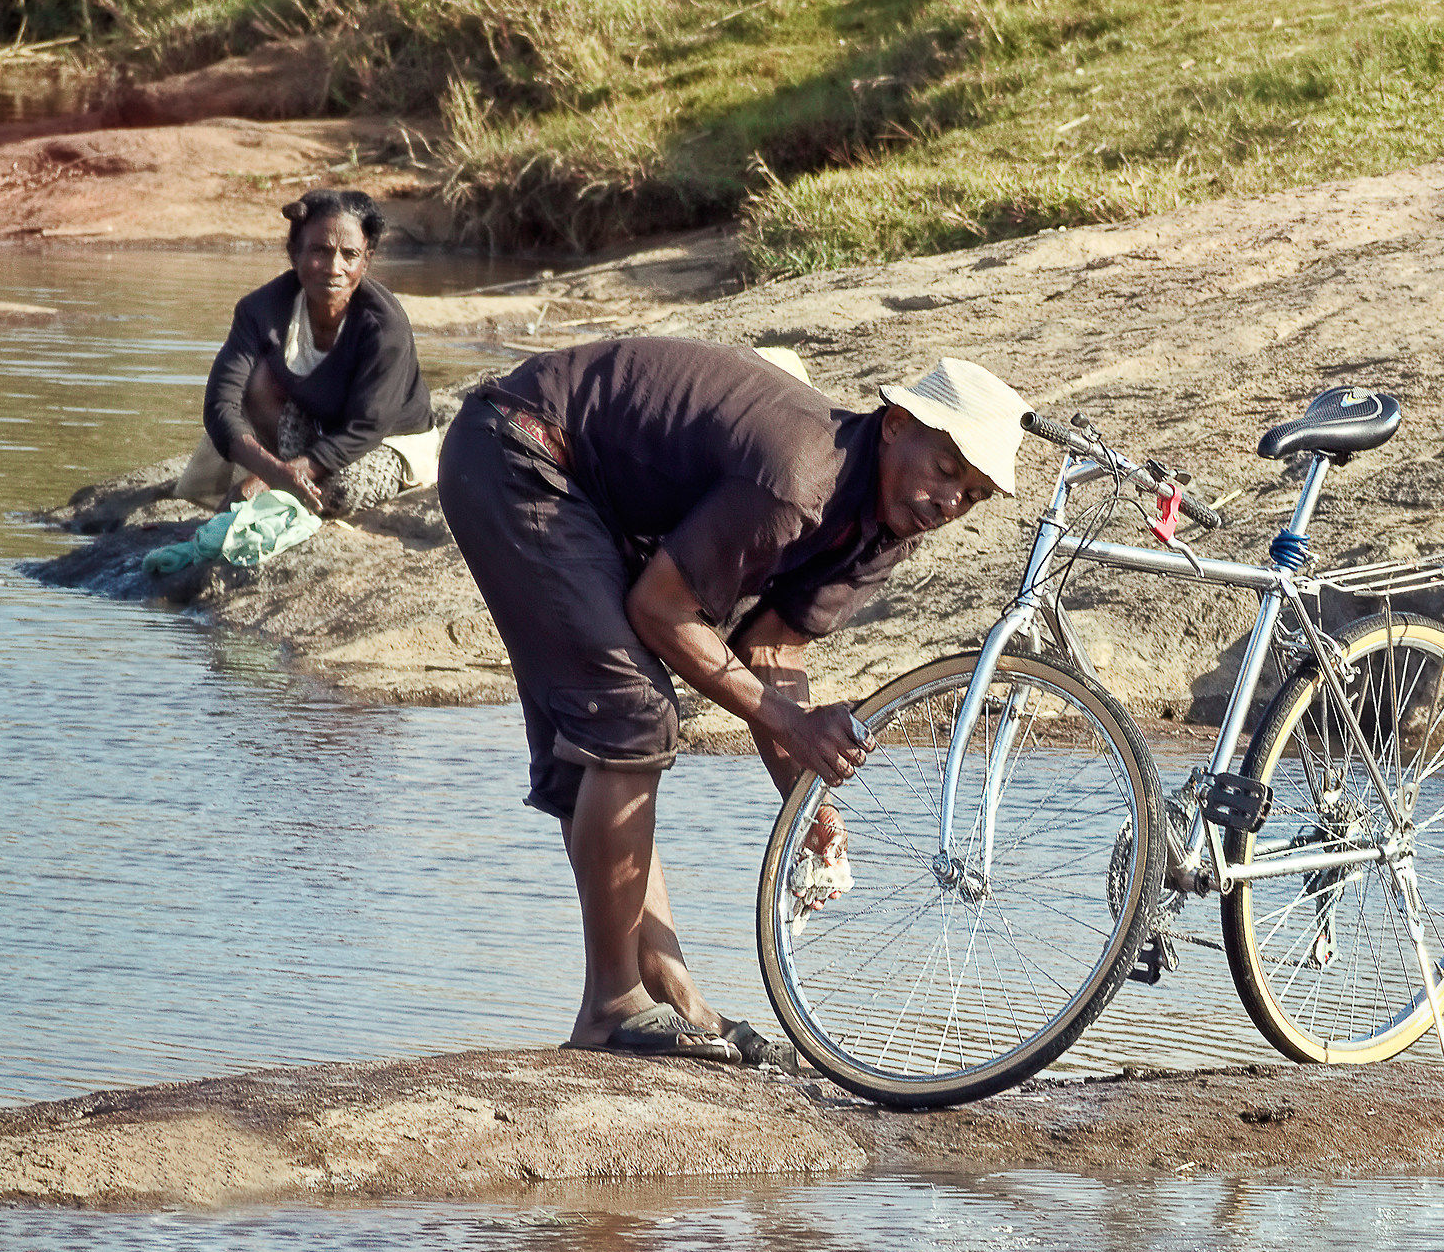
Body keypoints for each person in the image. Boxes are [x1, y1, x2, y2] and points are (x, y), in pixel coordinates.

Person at [437, 337, 1027, 1064]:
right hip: (517, 450)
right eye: (946, 470)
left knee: (605, 733)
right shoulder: (798, 476)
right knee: (628, 714)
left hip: (586, 494)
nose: (951, 502)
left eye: (973, 495)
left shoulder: (884, 530)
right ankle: (611, 1006)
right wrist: (791, 724)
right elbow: (660, 609)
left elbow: (772, 649)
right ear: (896, 424)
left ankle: (673, 994)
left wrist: (806, 798)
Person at [190, 189, 436, 516]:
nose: (334, 268)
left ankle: (283, 481)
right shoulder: (259, 310)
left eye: (349, 254)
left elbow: (366, 427)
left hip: (386, 438)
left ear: (366, 260)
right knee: (258, 379)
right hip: (316, 424)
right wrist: (273, 471)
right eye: (320, 251)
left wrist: (269, 479)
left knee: (340, 492)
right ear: (294, 253)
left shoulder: (384, 327)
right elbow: (221, 403)